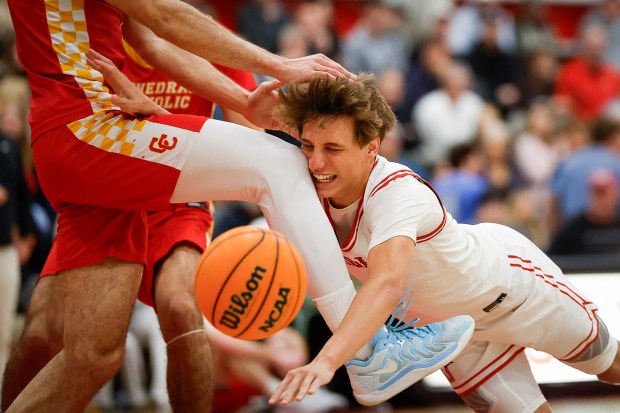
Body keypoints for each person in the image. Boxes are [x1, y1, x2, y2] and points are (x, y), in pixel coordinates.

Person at [2, 1, 471, 412]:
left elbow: (146, 37)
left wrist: (243, 99)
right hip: (88, 128)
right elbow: (164, 17)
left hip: (97, 145)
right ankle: (367, 349)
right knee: (282, 163)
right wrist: (281, 65)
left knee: (94, 355)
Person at [267, 74, 620, 412]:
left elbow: (386, 283)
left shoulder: (396, 192)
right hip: (451, 330)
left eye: (332, 148)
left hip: (512, 289)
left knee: (610, 365)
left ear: (371, 148)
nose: (316, 161)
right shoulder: (307, 192)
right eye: (308, 146)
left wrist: (327, 362)